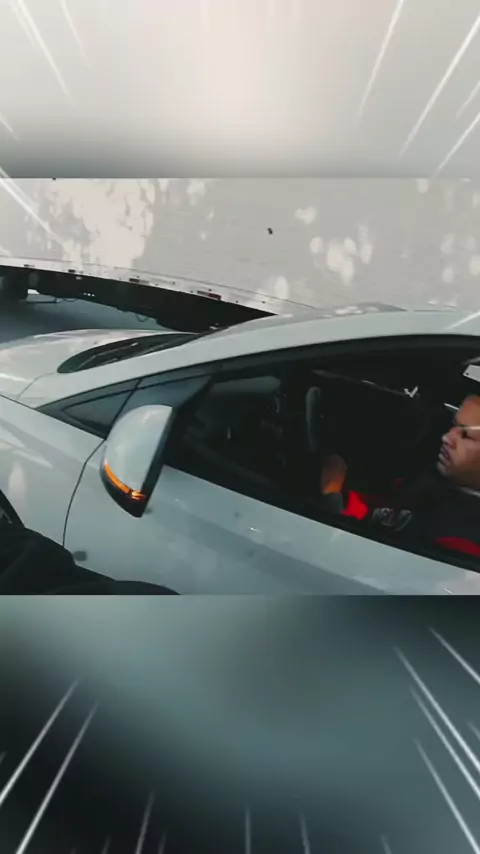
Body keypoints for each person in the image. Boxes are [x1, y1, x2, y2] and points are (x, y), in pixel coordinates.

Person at [320, 393, 480, 559]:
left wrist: (331, 489)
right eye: (453, 426)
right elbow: (380, 509)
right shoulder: (433, 479)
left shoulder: (463, 542)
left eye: (466, 435)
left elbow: (361, 559)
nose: (446, 437)